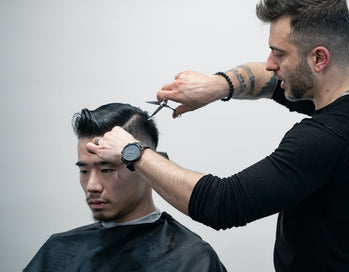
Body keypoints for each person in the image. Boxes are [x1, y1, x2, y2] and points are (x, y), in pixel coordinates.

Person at [87, 0, 349, 271]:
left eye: (279, 53)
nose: (270, 63)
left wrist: (134, 153)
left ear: (319, 59)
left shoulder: (328, 138)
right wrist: (217, 86)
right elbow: (270, 80)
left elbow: (223, 203)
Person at [24, 103, 226, 272]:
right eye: (84, 171)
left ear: (147, 168)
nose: (92, 186)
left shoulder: (191, 259)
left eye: (106, 170)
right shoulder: (57, 250)